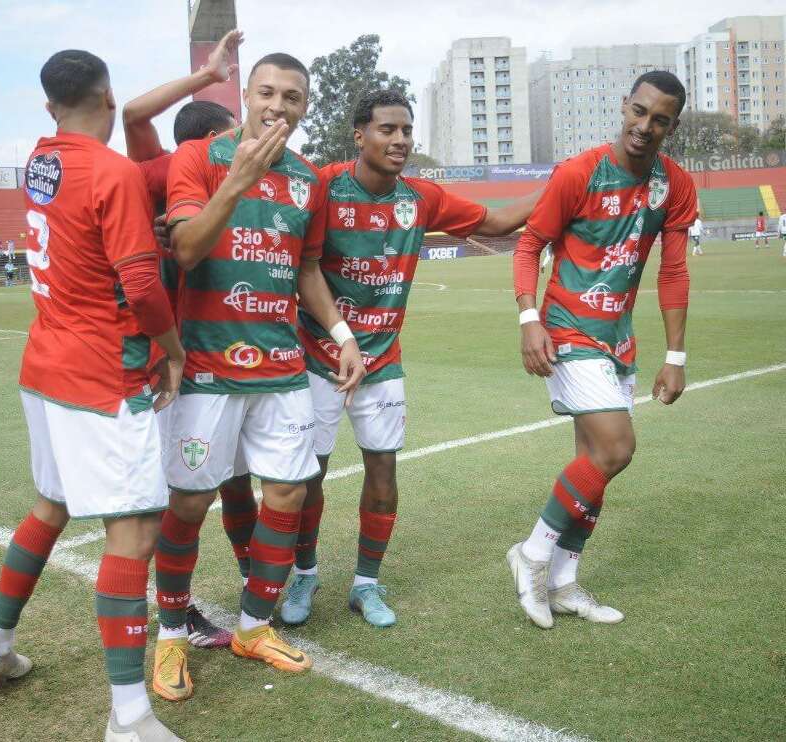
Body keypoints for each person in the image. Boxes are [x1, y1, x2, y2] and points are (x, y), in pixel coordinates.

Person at [0, 49, 186, 742]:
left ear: (49, 104)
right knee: (136, 530)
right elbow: (143, 287)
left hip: (46, 365)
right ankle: (129, 719)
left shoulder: (40, 161)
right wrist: (174, 351)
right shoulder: (111, 172)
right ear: (109, 96)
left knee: (52, 506)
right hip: (102, 374)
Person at [150, 52, 365, 701]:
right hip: (206, 366)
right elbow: (185, 247)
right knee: (188, 502)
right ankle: (170, 637)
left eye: (292, 97)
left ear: (304, 107)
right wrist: (236, 180)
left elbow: (306, 271)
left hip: (280, 365)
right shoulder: (199, 159)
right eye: (267, 93)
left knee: (288, 497)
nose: (279, 106)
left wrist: (343, 334)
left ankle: (251, 626)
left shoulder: (308, 180)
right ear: (246, 95)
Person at [279, 90, 538, 628]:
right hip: (318, 355)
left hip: (382, 359)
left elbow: (498, 221)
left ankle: (366, 584)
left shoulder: (419, 198)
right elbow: (300, 265)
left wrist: (568, 184)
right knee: (309, 476)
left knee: (383, 468)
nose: (399, 140)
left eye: (406, 131)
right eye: (387, 130)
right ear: (360, 136)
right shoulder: (324, 187)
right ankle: (304, 572)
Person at [508, 70, 696, 630]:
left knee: (596, 462)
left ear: (671, 125)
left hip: (618, 341)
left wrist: (676, 355)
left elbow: (675, 270)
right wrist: (529, 319)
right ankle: (533, 554)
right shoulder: (579, 173)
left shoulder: (675, 185)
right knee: (616, 449)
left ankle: (564, 585)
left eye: (659, 119)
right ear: (624, 107)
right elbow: (529, 244)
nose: (645, 126)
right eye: (639, 112)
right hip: (568, 330)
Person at [122, 30, 242, 651]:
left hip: (200, 354)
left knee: (207, 485)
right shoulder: (170, 170)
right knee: (179, 492)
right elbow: (134, 113)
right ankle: (170, 616)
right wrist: (208, 73)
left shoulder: (169, 171)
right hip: (174, 358)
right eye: (235, 134)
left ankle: (194, 604)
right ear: (214, 138)